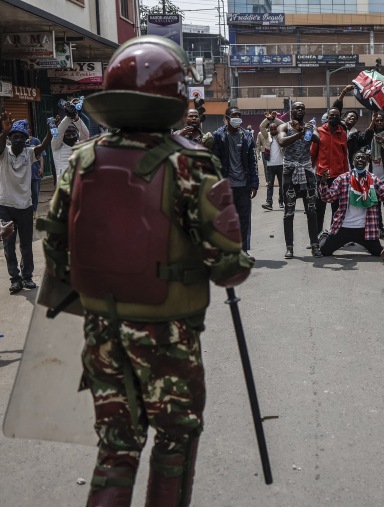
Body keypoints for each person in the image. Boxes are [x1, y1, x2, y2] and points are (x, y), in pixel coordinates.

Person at [37, 35, 253, 507]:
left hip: (101, 331)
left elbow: (55, 250)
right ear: (176, 97)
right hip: (169, 334)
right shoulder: (191, 165)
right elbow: (229, 268)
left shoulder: (82, 161)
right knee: (174, 442)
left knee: (116, 448)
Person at [0, 116, 51, 293]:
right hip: (5, 206)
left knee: (26, 245)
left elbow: (43, 146)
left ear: (26, 139)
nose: (19, 140)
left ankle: (27, 277)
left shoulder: (29, 153)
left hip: (25, 206)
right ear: (10, 138)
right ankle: (15, 279)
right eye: (15, 136)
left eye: (22, 137)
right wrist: (5, 130)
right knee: (9, 245)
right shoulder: (3, 152)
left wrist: (51, 132)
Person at [317, 150, 384, 257]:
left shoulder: (373, 179)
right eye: (357, 158)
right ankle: (324, 236)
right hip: (344, 227)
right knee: (324, 251)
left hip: (365, 229)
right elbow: (328, 197)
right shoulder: (343, 179)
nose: (360, 160)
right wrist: (323, 183)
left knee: (377, 252)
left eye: (363, 158)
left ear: (367, 162)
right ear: (353, 161)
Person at [211, 106, 259, 260]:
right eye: (234, 115)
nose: (237, 117)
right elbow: (214, 161)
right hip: (226, 186)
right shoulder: (218, 136)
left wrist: (254, 183)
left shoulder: (246, 136)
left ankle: (243, 250)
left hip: (243, 185)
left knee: (244, 220)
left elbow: (252, 161)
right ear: (227, 117)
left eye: (239, 115)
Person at [276, 101, 321, 259]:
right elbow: (282, 141)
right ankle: (289, 247)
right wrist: (300, 133)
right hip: (290, 171)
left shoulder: (309, 126)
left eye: (303, 108)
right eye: (297, 108)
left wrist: (302, 129)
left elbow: (316, 139)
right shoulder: (284, 127)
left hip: (307, 171)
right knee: (289, 212)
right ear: (291, 111)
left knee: (311, 211)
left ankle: (315, 245)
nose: (300, 110)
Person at [311, 107, 349, 232]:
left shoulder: (342, 133)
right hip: (322, 176)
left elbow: (344, 156)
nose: (333, 118)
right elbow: (313, 153)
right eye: (331, 116)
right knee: (319, 208)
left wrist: (347, 175)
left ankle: (334, 235)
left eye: (336, 115)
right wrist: (310, 173)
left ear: (340, 117)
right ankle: (316, 237)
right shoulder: (319, 131)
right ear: (327, 118)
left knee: (337, 208)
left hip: (338, 177)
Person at [51, 108, 90, 182]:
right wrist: (68, 117)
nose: (71, 136)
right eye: (68, 134)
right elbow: (60, 132)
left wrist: (76, 118)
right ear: (63, 136)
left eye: (73, 134)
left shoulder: (80, 145)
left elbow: (85, 134)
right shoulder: (56, 146)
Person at [28, 129, 44, 220]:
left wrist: (41, 167)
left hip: (35, 172)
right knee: (25, 194)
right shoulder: (20, 141)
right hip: (24, 174)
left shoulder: (36, 141)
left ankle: (34, 211)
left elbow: (41, 155)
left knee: (35, 193)